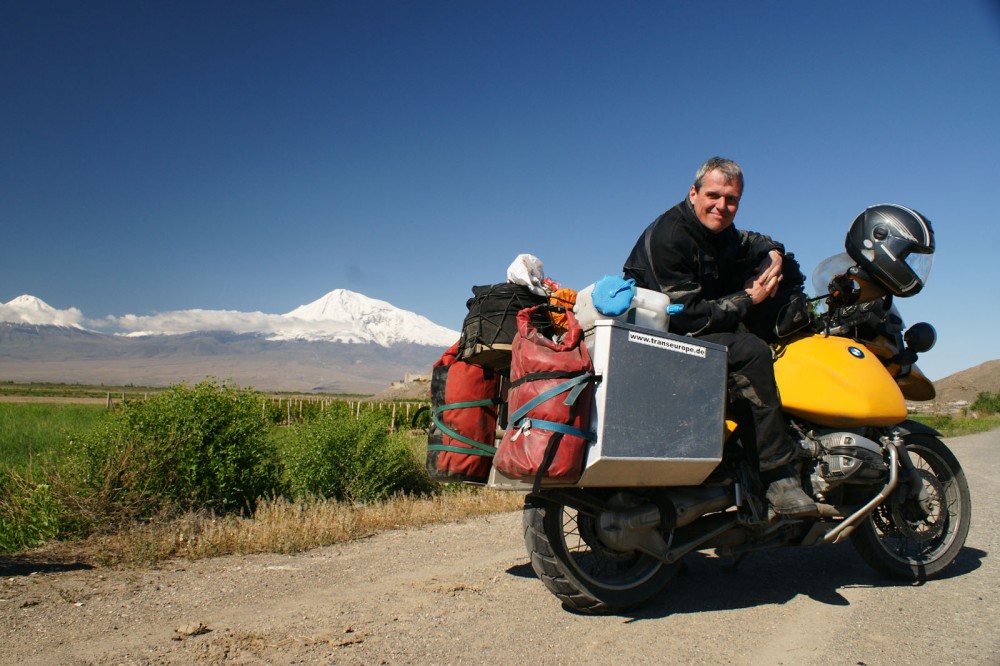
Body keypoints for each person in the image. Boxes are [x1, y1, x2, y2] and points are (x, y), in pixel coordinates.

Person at [622, 157, 816, 517]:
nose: (722, 206)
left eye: (732, 200)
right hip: (661, 340)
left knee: (786, 274)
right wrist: (748, 299)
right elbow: (689, 316)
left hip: (688, 327)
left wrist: (773, 253)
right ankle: (778, 477)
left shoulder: (719, 230)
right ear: (693, 193)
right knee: (751, 352)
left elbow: (750, 240)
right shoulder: (670, 237)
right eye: (713, 195)